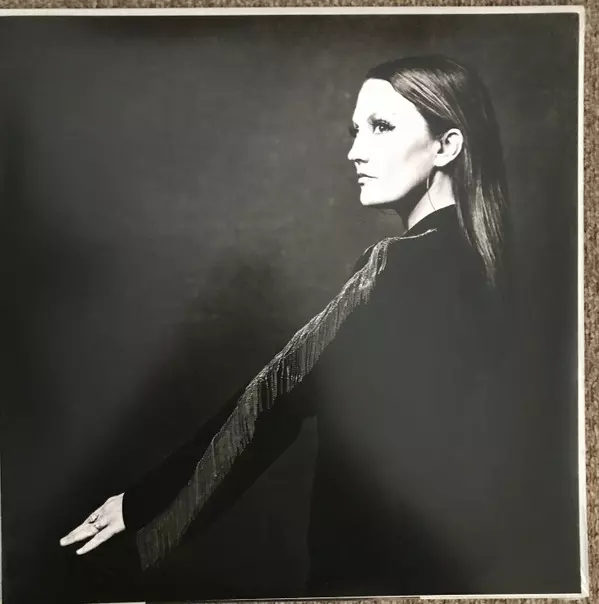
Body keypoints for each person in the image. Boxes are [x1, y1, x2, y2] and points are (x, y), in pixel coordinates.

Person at [60, 55, 528, 596]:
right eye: (355, 130)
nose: (355, 151)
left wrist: (142, 505)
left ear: (447, 146)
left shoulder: (400, 267)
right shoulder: (480, 268)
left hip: (368, 575)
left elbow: (272, 403)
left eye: (381, 127)